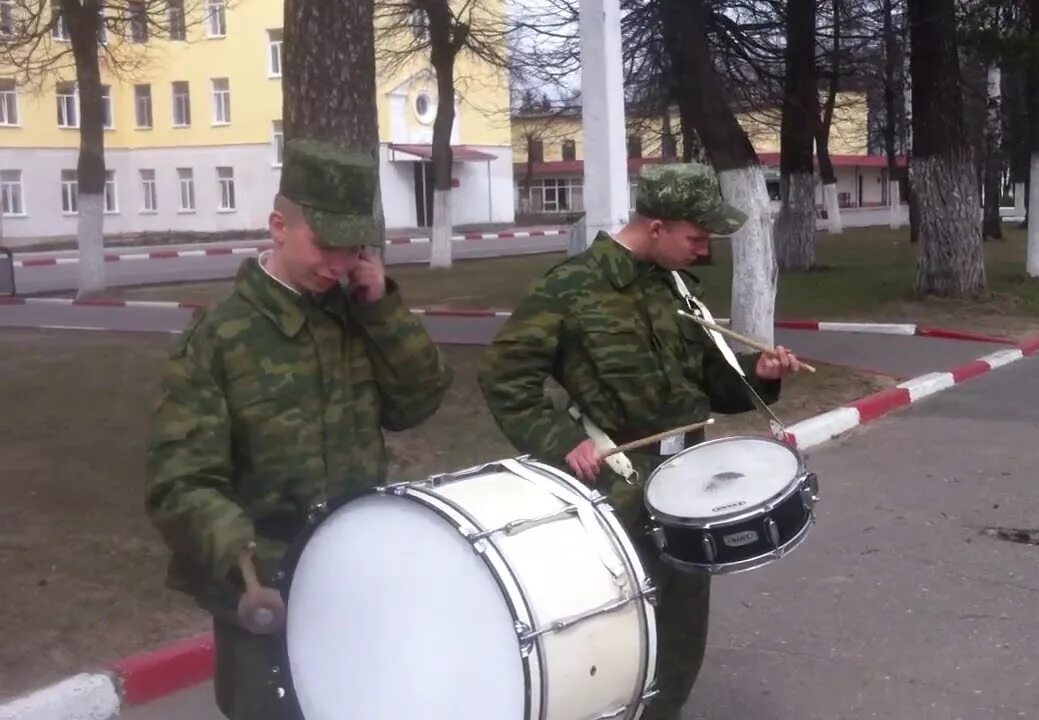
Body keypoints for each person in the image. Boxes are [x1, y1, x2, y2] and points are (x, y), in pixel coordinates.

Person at [477, 162, 803, 719]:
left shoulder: (672, 289)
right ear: (656, 227)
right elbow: (503, 376)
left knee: (680, 629)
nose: (702, 250)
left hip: (689, 482)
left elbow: (713, 382)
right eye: (695, 237)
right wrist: (559, 441)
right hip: (617, 487)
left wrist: (764, 372)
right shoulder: (570, 288)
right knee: (615, 632)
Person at [144, 138, 454, 720]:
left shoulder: (356, 316)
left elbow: (418, 402)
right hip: (270, 588)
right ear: (279, 226)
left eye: (353, 248)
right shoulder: (223, 338)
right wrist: (241, 555)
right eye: (326, 245)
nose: (338, 264)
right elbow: (179, 481)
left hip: (359, 574)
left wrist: (383, 307)